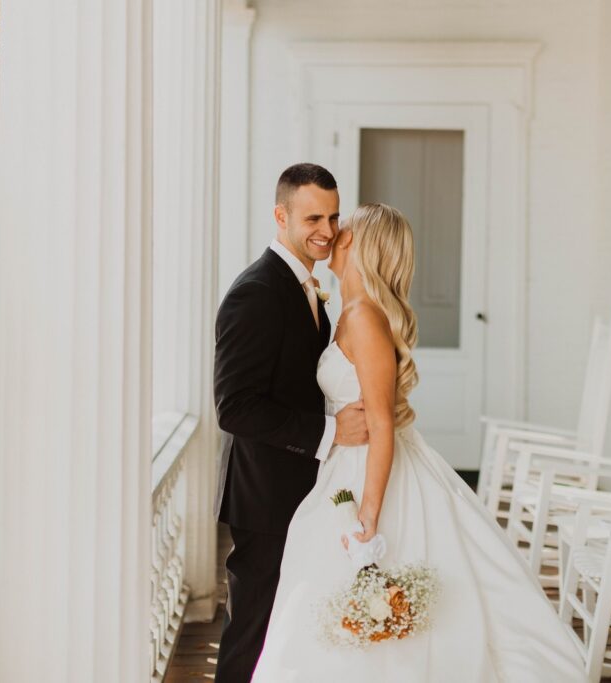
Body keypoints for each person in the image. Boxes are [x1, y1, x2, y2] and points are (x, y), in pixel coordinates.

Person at [252, 203, 586, 682]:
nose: (332, 233)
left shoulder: (365, 317)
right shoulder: (348, 312)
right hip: (345, 463)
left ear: (356, 244)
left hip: (370, 470)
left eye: (342, 228)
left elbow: (383, 424)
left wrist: (369, 512)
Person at [213, 163, 370, 683]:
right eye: (312, 218)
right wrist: (331, 433)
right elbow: (234, 406)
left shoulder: (308, 287)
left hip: (304, 486)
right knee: (254, 627)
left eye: (332, 216)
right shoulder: (256, 292)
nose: (326, 230)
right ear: (281, 216)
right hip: (266, 493)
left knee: (286, 627)